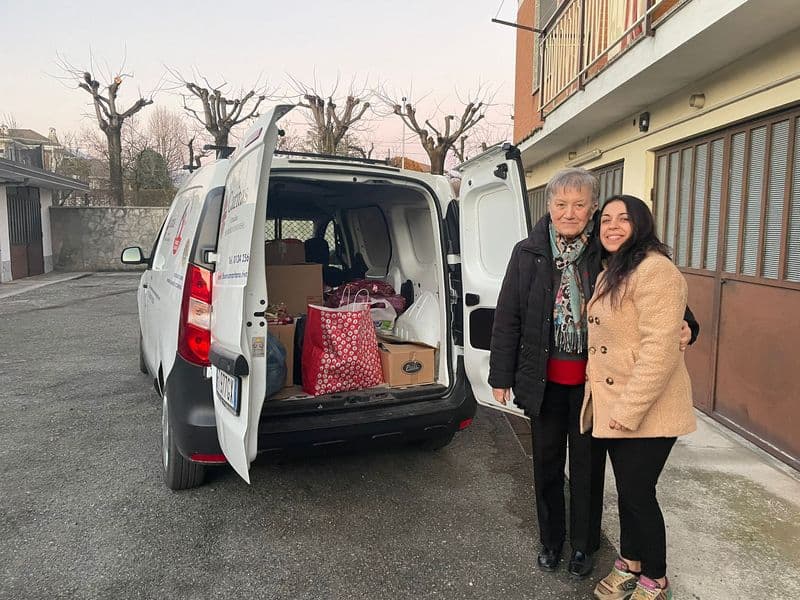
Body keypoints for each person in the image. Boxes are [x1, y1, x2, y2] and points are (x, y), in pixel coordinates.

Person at [488, 169, 698, 579]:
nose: (570, 213)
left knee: (587, 471)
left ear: (592, 208)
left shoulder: (608, 251)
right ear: (548, 207)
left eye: (580, 205)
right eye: (561, 204)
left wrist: (691, 328)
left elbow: (675, 312)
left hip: (594, 387)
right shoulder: (527, 252)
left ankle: (584, 546)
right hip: (542, 382)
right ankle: (551, 540)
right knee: (546, 466)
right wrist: (501, 375)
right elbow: (508, 316)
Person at [582, 195, 697, 600]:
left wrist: (628, 409)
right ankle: (630, 561)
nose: (612, 226)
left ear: (641, 225)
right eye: (606, 220)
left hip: (648, 406)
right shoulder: (613, 269)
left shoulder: (656, 271)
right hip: (616, 403)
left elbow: (659, 349)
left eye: (623, 219)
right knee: (629, 490)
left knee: (637, 493)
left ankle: (657, 578)